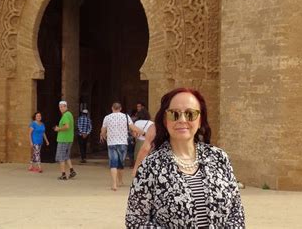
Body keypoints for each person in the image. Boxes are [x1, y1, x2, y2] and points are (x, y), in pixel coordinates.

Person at [126, 88, 245, 228]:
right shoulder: (151, 166)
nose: (182, 120)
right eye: (174, 114)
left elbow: (236, 212)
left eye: (190, 114)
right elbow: (135, 220)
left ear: (200, 120)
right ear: (165, 121)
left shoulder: (219, 158)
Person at [100, 102, 142, 191]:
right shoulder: (126, 117)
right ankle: (120, 181)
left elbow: (103, 130)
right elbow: (133, 127)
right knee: (120, 163)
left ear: (112, 108)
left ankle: (114, 184)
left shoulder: (107, 117)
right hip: (123, 142)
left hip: (111, 143)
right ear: (120, 108)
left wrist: (103, 136)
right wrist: (144, 133)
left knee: (113, 164)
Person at [53, 100, 76, 181]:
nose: (61, 108)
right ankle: (72, 170)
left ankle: (63, 174)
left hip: (63, 139)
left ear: (66, 107)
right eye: (60, 107)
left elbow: (67, 126)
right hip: (69, 138)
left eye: (62, 106)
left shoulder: (65, 115)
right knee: (66, 156)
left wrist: (58, 128)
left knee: (61, 157)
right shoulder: (69, 114)